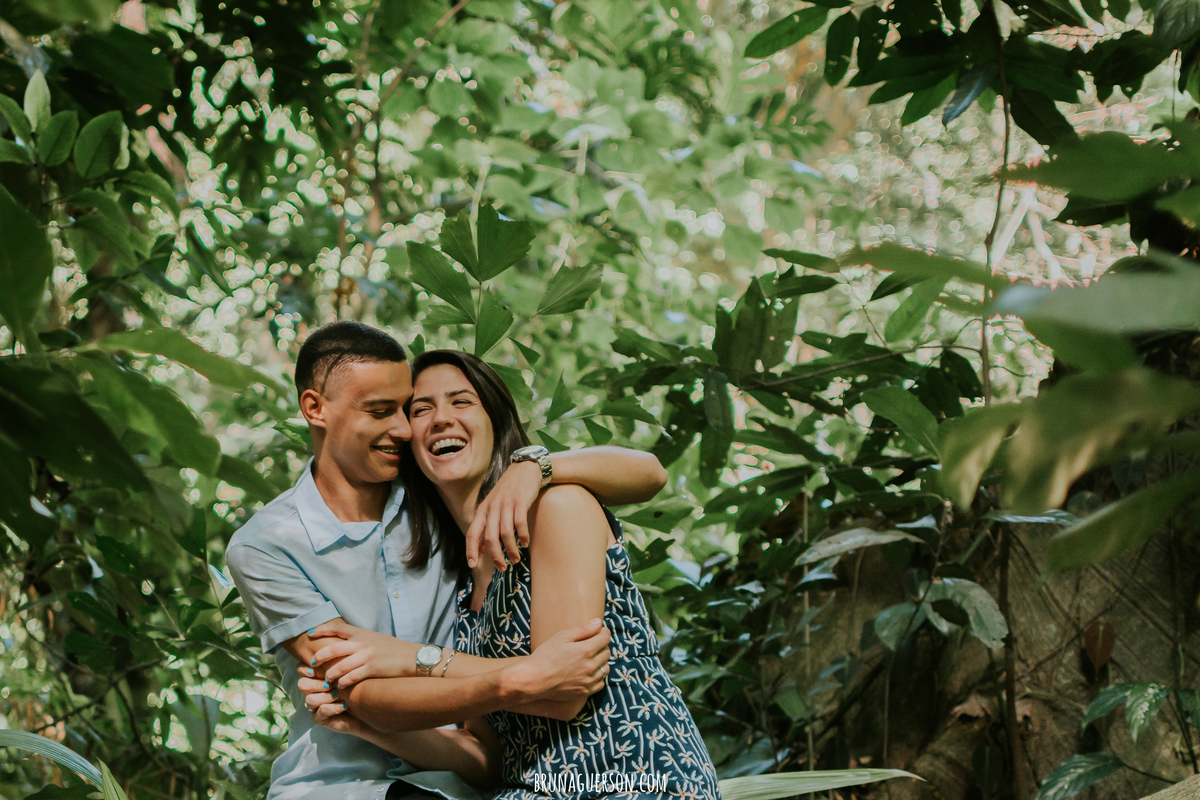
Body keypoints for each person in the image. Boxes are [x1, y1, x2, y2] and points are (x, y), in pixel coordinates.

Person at [225, 323, 668, 800]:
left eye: (405, 410)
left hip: (507, 781)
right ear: (315, 408)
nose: (404, 428)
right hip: (338, 786)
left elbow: (648, 474)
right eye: (389, 411)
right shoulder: (267, 546)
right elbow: (361, 692)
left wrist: (535, 466)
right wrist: (520, 678)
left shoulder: (454, 514)